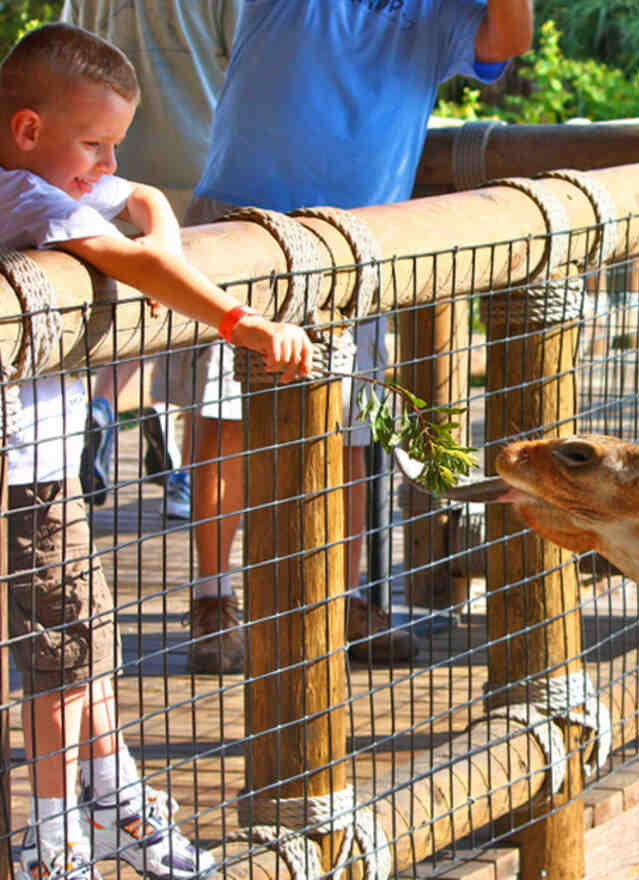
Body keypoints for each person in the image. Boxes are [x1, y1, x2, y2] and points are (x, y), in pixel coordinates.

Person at [0, 22, 313, 880]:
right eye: (94, 144)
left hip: (48, 459)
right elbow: (128, 260)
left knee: (82, 639)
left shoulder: (52, 176)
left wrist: (162, 234)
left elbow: (142, 207)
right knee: (63, 655)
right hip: (24, 466)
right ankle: (57, 833)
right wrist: (239, 321)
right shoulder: (26, 197)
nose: (105, 164)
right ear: (28, 130)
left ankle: (113, 805)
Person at [173, 0, 534, 673]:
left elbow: (511, 37)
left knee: (350, 437)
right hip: (240, 229)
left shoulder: (438, 16)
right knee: (225, 422)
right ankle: (212, 600)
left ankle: (342, 600)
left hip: (356, 247)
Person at [62, 0, 240, 522]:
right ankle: (179, 470)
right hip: (200, 155)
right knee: (186, 319)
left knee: (129, 303)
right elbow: (242, 58)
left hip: (104, 161)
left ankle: (103, 406)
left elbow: (69, 57)